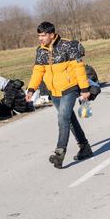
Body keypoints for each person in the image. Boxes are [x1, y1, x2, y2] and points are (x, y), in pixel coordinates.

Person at [26, 22, 93, 168]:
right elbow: (38, 71)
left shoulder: (68, 46)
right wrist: (31, 89)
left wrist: (84, 89)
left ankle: (59, 154)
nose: (40, 39)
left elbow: (79, 68)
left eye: (43, 35)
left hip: (70, 88)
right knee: (69, 119)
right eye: (39, 36)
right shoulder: (41, 51)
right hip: (54, 91)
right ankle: (85, 147)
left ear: (51, 34)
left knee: (62, 118)